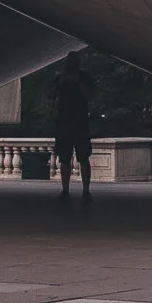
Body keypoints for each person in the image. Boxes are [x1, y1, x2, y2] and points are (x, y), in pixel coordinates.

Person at [53, 53, 93, 202]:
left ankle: (85, 190)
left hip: (78, 122)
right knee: (65, 158)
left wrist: (76, 82)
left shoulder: (84, 77)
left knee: (83, 157)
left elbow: (89, 95)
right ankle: (66, 190)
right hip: (66, 122)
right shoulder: (61, 78)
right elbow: (50, 93)